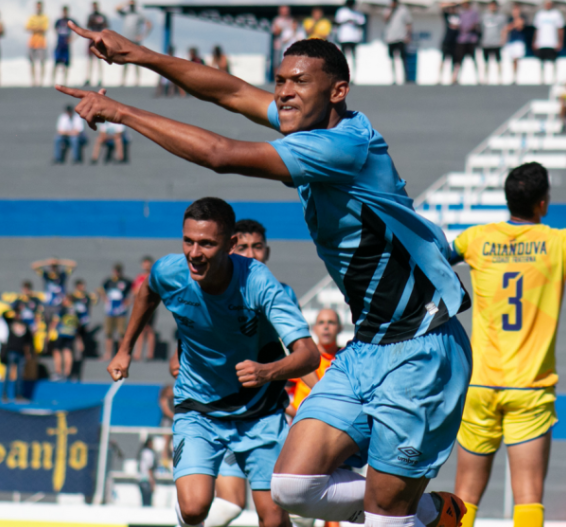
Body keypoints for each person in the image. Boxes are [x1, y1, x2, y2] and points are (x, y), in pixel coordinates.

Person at [59, 28, 475, 527]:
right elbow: (230, 92)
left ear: (337, 91)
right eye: (278, 81)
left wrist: (120, 112)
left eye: (297, 82)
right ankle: (428, 509)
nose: (283, 93)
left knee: (385, 516)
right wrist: (136, 55)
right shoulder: (310, 128)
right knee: (293, 487)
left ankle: (408, 509)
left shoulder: (342, 147)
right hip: (367, 348)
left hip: (421, 350)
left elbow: (220, 154)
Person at [104, 197, 320, 527]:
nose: (194, 252)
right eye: (188, 241)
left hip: (259, 412)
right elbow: (148, 292)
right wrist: (125, 348)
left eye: (206, 243)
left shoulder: (259, 283)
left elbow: (309, 355)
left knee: (275, 518)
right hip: (198, 407)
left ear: (230, 245)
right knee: (193, 507)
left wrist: (266, 372)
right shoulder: (169, 271)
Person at [449, 162, 566, 527]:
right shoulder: (560, 243)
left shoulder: (476, 239)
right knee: (528, 497)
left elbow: (432, 258)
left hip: (480, 384)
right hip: (529, 389)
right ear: (543, 203)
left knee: (464, 495)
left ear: (507, 199)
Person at [168, 217, 301, 527]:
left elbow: (296, 355)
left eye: (257, 247)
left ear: (267, 252)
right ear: (229, 250)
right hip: (214, 414)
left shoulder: (280, 295)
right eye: (243, 247)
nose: (251, 254)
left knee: (273, 516)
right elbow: (181, 354)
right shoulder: (202, 291)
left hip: (260, 416)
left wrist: (318, 392)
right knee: (223, 504)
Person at [287, 308, 341, 418]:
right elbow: (280, 395)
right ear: (315, 329)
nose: (326, 327)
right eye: (321, 322)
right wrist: (300, 416)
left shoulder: (347, 359)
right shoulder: (303, 358)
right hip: (303, 426)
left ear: (340, 328)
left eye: (331, 322)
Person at [99, 263, 132, 361]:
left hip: (121, 311)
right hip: (110, 311)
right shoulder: (108, 281)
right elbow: (101, 289)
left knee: (121, 332)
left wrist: (128, 303)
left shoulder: (126, 281)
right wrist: (105, 299)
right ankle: (108, 353)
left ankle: (120, 353)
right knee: (109, 332)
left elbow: (134, 291)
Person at [1, 305, 33, 402]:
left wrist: (29, 352)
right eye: (17, 313)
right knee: (8, 374)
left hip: (21, 353)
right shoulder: (10, 322)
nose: (18, 315)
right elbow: (4, 314)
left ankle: (18, 395)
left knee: (19, 375)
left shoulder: (25, 325)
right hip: (11, 351)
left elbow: (29, 341)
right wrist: (12, 309)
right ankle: (4, 395)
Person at [117, 0, 152, 86]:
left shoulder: (139, 15)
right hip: (126, 40)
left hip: (135, 41)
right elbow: (116, 9)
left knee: (137, 60)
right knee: (124, 60)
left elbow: (149, 24)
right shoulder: (126, 13)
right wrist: (126, 3)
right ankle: (123, 80)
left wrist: (142, 35)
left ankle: (137, 81)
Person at [31, 258, 76, 323]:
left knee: (58, 323)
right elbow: (34, 266)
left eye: (55, 267)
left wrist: (59, 262)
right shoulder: (46, 276)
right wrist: (47, 262)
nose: (53, 269)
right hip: (48, 305)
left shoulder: (62, 276)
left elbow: (73, 264)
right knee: (46, 322)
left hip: (60, 305)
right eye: (52, 267)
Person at [533, 0, 564, 84]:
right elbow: (537, 29)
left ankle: (554, 79)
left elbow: (560, 29)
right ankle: (542, 80)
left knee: (553, 61)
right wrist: (535, 41)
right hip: (542, 42)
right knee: (542, 62)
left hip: (552, 43)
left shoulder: (556, 14)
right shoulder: (540, 14)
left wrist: (560, 41)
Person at [132, 256, 156, 361]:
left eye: (148, 263)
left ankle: (150, 354)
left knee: (149, 329)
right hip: (140, 306)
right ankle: (138, 353)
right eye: (144, 263)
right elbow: (134, 291)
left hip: (150, 305)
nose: (146, 265)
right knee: (140, 329)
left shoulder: (153, 277)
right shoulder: (139, 277)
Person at [50, 295, 79, 380]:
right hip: (71, 333)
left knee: (57, 351)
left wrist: (50, 331)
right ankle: (67, 373)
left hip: (61, 332)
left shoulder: (63, 309)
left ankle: (58, 372)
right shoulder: (76, 310)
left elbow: (56, 320)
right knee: (67, 351)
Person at [383, 0, 412, 84]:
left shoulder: (404, 10)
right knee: (392, 59)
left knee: (403, 58)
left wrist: (408, 35)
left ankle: (406, 78)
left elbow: (409, 23)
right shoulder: (388, 9)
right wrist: (391, 10)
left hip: (401, 37)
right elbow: (385, 19)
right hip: (390, 38)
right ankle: (394, 78)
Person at [335, 0, 366, 75]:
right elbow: (337, 22)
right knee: (343, 58)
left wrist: (354, 22)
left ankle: (353, 75)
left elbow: (362, 23)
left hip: (354, 38)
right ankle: (343, 74)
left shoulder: (357, 13)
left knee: (353, 58)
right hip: (344, 38)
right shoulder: (342, 12)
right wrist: (346, 21)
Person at [452, 0, 479, 85]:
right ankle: (455, 78)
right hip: (461, 40)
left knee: (474, 60)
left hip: (471, 40)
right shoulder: (460, 14)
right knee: (459, 60)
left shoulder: (474, 13)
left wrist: (467, 28)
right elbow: (456, 24)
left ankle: (478, 78)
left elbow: (476, 24)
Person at [479, 1, 506, 85]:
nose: (493, 7)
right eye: (491, 6)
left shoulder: (501, 17)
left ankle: (500, 78)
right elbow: (481, 29)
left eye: (494, 6)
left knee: (498, 61)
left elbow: (504, 29)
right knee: (486, 61)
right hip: (486, 42)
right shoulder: (484, 16)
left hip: (496, 42)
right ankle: (485, 78)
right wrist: (481, 40)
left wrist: (503, 40)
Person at [70, 279, 97, 359]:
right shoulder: (73, 296)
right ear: (77, 286)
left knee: (81, 336)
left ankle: (81, 353)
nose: (83, 288)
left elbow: (95, 301)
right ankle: (77, 353)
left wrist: (95, 295)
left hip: (84, 320)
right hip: (74, 321)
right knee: (76, 337)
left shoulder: (87, 296)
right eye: (82, 286)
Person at [52, 6, 77, 86]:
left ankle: (65, 82)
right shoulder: (58, 21)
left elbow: (78, 29)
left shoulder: (70, 21)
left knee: (66, 64)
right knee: (56, 63)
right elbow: (54, 29)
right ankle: (53, 82)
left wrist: (72, 39)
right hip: (59, 45)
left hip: (66, 46)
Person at [85, 2, 108, 87]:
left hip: (99, 38)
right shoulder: (91, 16)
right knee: (90, 60)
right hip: (92, 38)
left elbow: (106, 25)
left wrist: (99, 24)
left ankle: (100, 79)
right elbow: (87, 25)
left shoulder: (101, 16)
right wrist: (92, 22)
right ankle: (88, 78)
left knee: (100, 59)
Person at [26, 1, 49, 87]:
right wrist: (38, 28)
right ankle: (33, 81)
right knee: (32, 62)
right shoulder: (32, 17)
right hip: (32, 42)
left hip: (41, 43)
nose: (38, 8)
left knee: (42, 62)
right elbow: (27, 27)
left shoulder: (45, 17)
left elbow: (45, 29)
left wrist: (34, 27)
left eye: (40, 7)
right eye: (37, 6)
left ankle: (41, 81)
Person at [503, 4, 526, 84]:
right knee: (512, 59)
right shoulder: (510, 19)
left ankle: (516, 76)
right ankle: (512, 76)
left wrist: (514, 24)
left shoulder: (522, 18)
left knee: (516, 58)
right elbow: (507, 29)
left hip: (518, 41)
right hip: (511, 41)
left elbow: (520, 27)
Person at [438, 2, 460, 85]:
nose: (453, 9)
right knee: (443, 60)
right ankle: (439, 78)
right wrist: (450, 4)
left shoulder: (459, 17)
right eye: (452, 8)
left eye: (454, 8)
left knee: (455, 61)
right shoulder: (447, 16)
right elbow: (441, 7)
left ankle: (454, 78)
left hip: (456, 42)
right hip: (447, 41)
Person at [272, 6, 293, 72]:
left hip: (289, 45)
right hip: (278, 45)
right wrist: (284, 27)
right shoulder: (277, 20)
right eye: (283, 11)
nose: (285, 13)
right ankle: (276, 80)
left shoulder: (291, 20)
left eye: (286, 11)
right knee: (277, 63)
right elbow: (276, 31)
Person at [138, 437, 157, 506]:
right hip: (147, 480)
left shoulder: (142, 452)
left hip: (140, 479)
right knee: (148, 503)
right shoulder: (149, 453)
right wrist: (152, 481)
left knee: (143, 502)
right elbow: (149, 468)